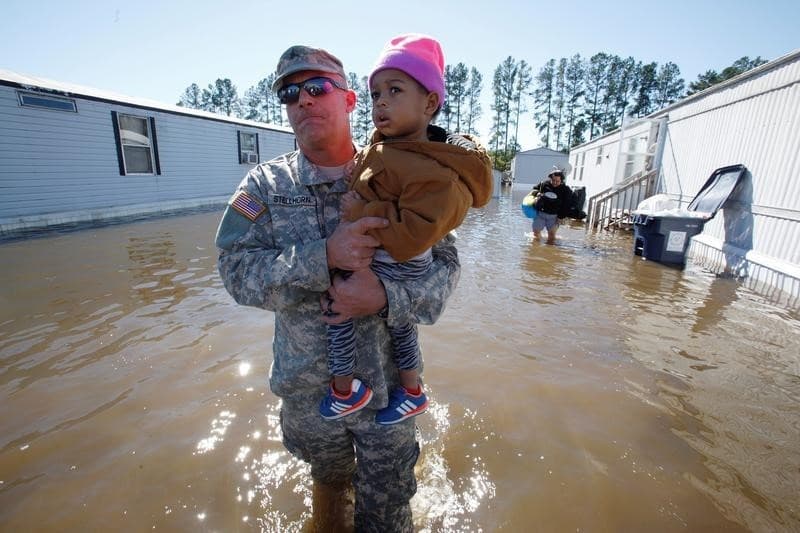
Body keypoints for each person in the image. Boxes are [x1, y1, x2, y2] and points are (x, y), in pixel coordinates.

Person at [214, 44, 461, 531]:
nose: (302, 101)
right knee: (329, 493)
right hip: (311, 398)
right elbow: (236, 273)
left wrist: (387, 297)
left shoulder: (401, 172)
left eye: (316, 87)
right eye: (289, 93)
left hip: (390, 395)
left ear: (350, 101)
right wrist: (323, 256)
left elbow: (446, 268)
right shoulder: (262, 187)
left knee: (388, 511)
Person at [321, 34, 492, 426]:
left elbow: (415, 233)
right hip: (385, 252)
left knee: (340, 307)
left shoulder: (436, 170)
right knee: (396, 328)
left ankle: (349, 390)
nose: (380, 101)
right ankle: (406, 391)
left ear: (430, 103)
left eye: (394, 90)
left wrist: (364, 208)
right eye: (376, 92)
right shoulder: (387, 147)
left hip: (399, 258)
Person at [530, 166, 573, 244]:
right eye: (553, 180)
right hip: (541, 214)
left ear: (561, 180)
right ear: (550, 178)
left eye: (558, 181)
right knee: (536, 233)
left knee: (552, 235)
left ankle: (549, 250)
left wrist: (561, 217)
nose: (555, 183)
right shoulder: (544, 184)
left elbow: (567, 205)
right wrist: (537, 193)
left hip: (554, 216)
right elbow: (534, 190)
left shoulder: (566, 190)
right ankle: (536, 250)